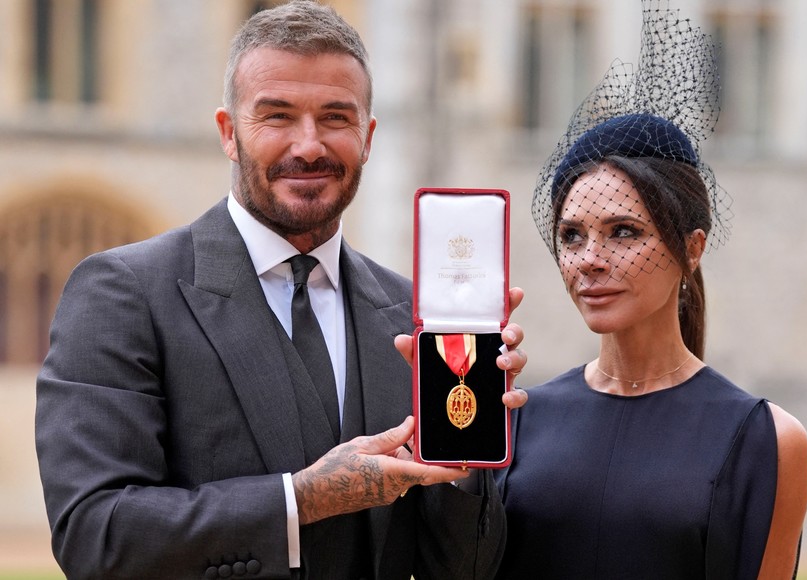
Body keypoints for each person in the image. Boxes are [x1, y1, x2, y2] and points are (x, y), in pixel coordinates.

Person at [35, 2, 528, 578]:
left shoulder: (415, 319)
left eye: (336, 118)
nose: (309, 145)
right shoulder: (125, 294)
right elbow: (95, 535)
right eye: (277, 116)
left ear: (367, 138)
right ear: (228, 133)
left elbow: (462, 569)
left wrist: (465, 447)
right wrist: (302, 500)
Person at [495, 2, 807, 579]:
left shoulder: (767, 439)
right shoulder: (516, 420)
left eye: (623, 232)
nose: (589, 260)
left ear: (691, 248)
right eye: (571, 236)